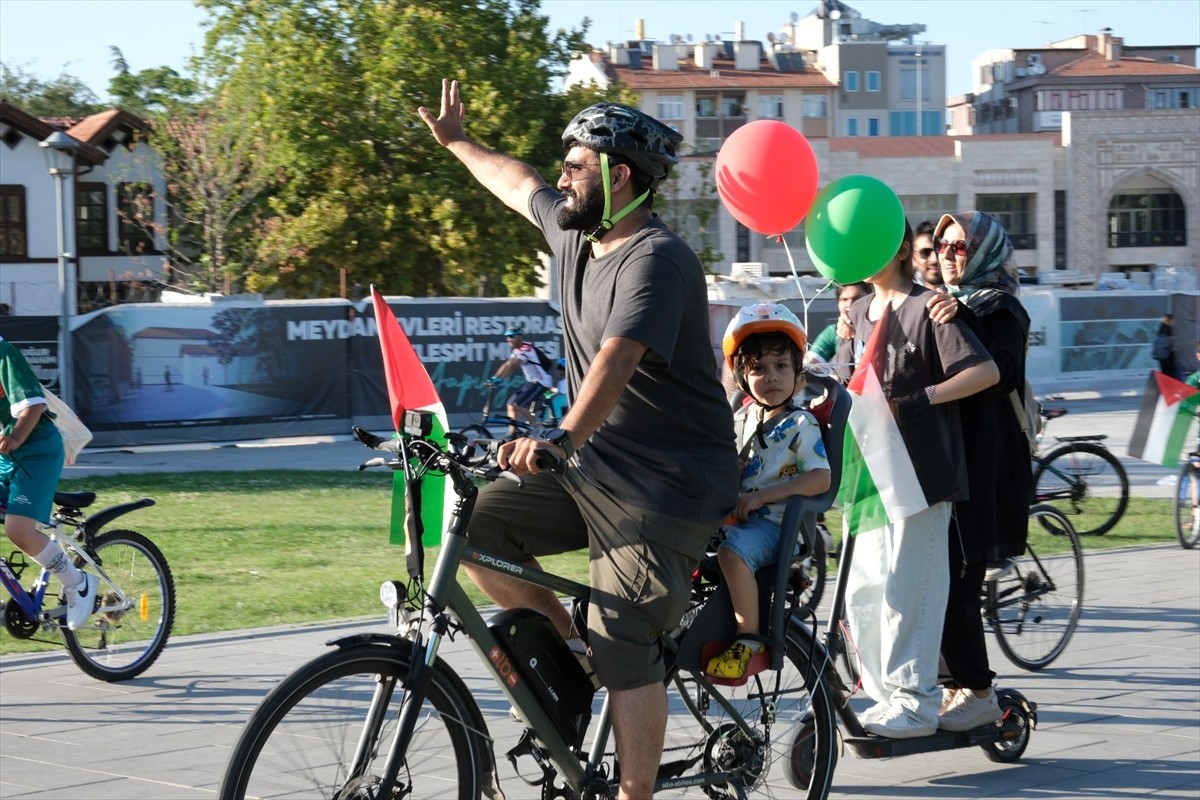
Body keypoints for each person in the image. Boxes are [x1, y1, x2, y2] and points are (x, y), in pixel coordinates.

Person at [419, 80, 738, 798]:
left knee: (624, 639)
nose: (561, 176)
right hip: (595, 471)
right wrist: (458, 142)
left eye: (576, 165)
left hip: (668, 487)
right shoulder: (573, 232)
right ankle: (569, 652)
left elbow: (615, 362)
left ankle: (633, 790)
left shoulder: (657, 260)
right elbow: (518, 181)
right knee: (472, 527)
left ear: (619, 175)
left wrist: (560, 436)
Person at [843, 221, 1000, 739]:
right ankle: (886, 696)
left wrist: (924, 398)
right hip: (869, 472)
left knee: (912, 585)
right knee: (866, 590)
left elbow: (985, 372)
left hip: (923, 473)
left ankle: (915, 700)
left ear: (899, 248)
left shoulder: (927, 306)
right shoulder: (858, 312)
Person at [930, 211, 1033, 732]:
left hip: (988, 470)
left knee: (959, 583)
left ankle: (979, 691)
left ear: (986, 252)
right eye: (942, 246)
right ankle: (955, 689)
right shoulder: (945, 304)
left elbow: (1000, 373)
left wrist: (959, 320)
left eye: (959, 246)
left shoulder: (1001, 309)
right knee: (938, 579)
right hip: (950, 466)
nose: (947, 255)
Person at [707, 303, 831, 680]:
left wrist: (761, 496)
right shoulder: (744, 417)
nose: (771, 377)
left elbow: (820, 478)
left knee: (730, 556)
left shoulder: (800, 422)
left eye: (781, 366)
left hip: (778, 526)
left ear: (798, 377)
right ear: (743, 378)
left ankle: (749, 638)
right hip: (741, 519)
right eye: (758, 369)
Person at [0, 336, 98, 631]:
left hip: (36, 452)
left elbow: (34, 405)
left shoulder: (3, 353)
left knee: (18, 530)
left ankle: (78, 583)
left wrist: (15, 437)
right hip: (7, 454)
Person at [491, 325, 553, 432]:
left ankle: (536, 426)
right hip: (532, 382)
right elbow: (507, 365)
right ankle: (512, 433)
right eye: (507, 337)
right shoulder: (517, 351)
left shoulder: (526, 349)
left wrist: (499, 379)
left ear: (519, 337)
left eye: (511, 337)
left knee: (516, 404)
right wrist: (494, 378)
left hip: (541, 382)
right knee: (510, 404)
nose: (508, 339)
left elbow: (513, 366)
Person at [806, 282, 871, 382]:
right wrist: (831, 375)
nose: (850, 304)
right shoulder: (833, 332)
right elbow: (808, 366)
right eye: (844, 300)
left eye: (857, 298)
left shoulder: (881, 325)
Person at [913, 219, 943, 289]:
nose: (934, 259)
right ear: (913, 258)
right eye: (925, 252)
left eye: (940, 250)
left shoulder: (970, 296)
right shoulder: (902, 296)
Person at [1153, 314, 1177, 379]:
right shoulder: (1169, 330)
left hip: (1162, 356)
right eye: (1173, 320)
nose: (1174, 322)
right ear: (1170, 320)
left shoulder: (1161, 330)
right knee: (1171, 373)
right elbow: (1172, 344)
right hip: (1169, 355)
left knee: (1165, 372)